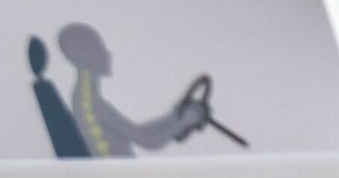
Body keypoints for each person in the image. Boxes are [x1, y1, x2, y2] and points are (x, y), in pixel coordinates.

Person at [54, 21, 218, 158]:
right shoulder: (91, 104)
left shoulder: (86, 99)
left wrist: (174, 117)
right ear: (87, 55)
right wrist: (184, 122)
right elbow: (148, 141)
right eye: (99, 47)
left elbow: (135, 133)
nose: (107, 54)